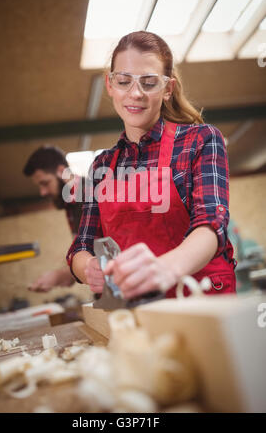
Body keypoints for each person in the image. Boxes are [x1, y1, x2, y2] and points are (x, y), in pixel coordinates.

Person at [66, 31, 236, 299]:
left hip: (198, 301)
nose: (135, 94)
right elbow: (83, 244)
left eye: (149, 82)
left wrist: (164, 269)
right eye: (123, 81)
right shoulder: (102, 166)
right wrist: (90, 268)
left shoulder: (201, 140)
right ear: (110, 86)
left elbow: (212, 225)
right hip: (135, 310)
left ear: (168, 89)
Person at [23, 145, 83, 292]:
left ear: (62, 172)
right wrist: (64, 275)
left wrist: (61, 275)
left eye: (45, 183)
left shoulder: (91, 197)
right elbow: (86, 252)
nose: (42, 192)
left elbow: (101, 255)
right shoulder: (71, 205)